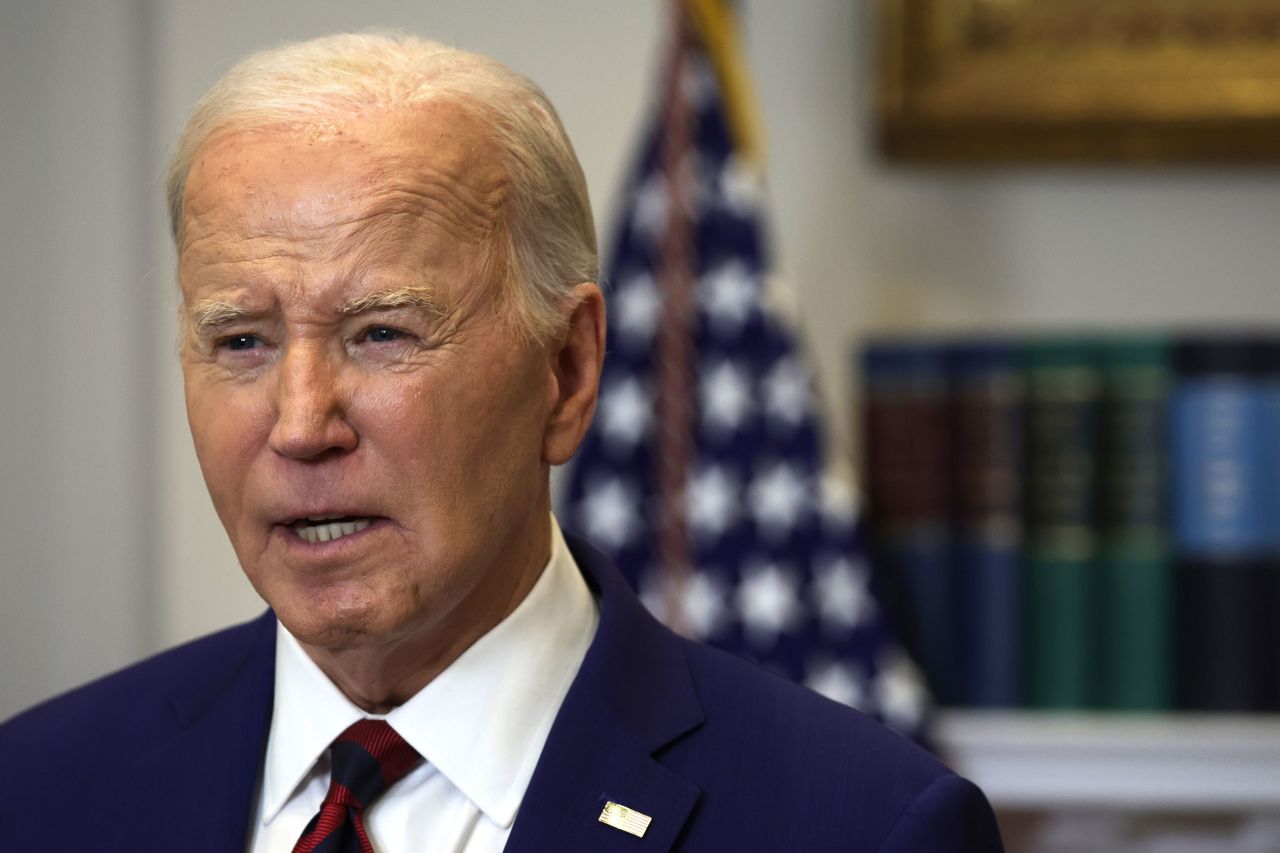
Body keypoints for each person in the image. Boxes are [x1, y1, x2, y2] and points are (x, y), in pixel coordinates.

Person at [0, 32, 1003, 852]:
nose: (301, 424)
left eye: (381, 334)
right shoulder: (35, 793)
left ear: (565, 370)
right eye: (241, 341)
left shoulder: (860, 827)